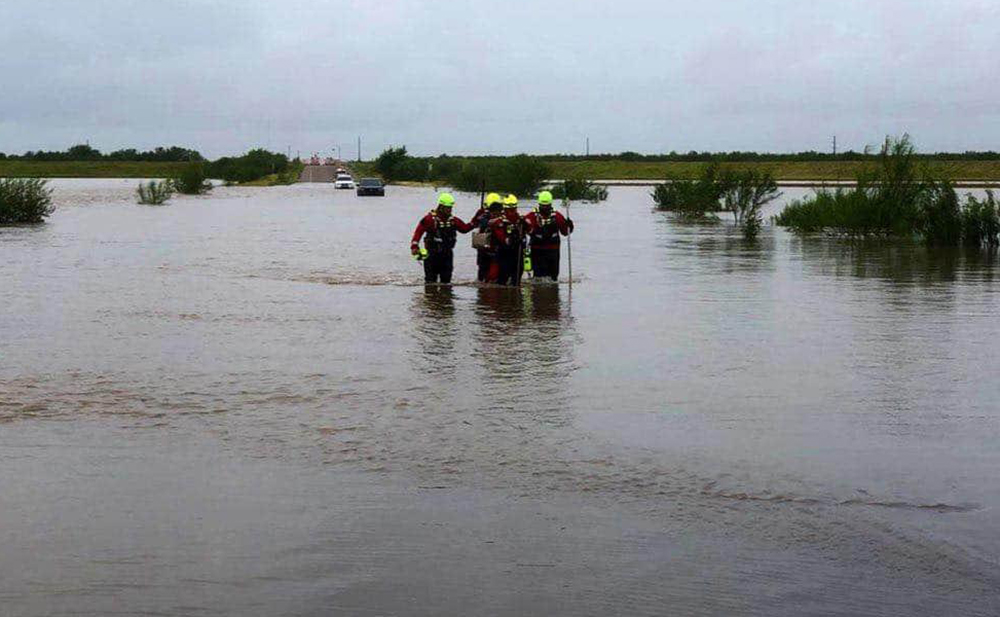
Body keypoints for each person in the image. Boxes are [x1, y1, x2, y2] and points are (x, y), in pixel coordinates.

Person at [410, 193, 473, 283]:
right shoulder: (429, 219)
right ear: (441, 207)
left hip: (447, 255)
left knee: (446, 282)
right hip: (431, 255)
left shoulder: (453, 220)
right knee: (430, 282)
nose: (449, 210)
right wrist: (414, 247)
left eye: (450, 207)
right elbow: (418, 232)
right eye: (447, 208)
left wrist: (476, 220)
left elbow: (464, 229)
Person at [523, 190, 573, 281]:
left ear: (550, 204)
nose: (545, 208)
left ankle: (552, 289)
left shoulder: (557, 216)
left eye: (547, 206)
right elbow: (524, 229)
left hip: (553, 251)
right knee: (538, 277)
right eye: (543, 206)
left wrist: (569, 225)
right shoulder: (532, 216)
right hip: (537, 251)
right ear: (539, 204)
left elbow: (565, 232)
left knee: (553, 278)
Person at [491, 194, 527, 286]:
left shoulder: (521, 220)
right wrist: (513, 239)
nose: (512, 212)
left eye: (513, 209)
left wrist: (526, 225)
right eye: (509, 210)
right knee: (502, 281)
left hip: (518, 254)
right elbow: (503, 239)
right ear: (505, 209)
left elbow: (531, 231)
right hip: (504, 255)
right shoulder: (499, 222)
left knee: (516, 280)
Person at [471, 193, 502, 282]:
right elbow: (475, 223)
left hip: (495, 250)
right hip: (485, 249)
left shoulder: (500, 218)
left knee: (492, 275)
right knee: (484, 274)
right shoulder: (483, 216)